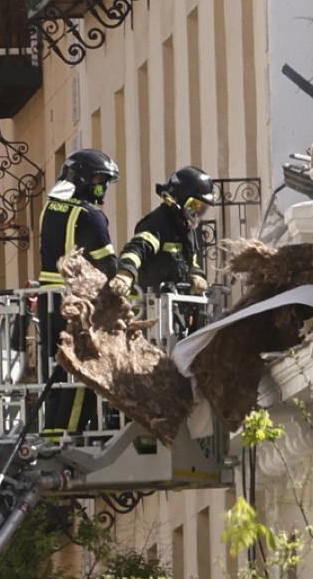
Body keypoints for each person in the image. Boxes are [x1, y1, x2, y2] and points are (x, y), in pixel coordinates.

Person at [37, 148, 120, 440]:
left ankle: (51, 432)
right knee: (82, 374)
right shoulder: (91, 216)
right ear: (84, 179)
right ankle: (65, 436)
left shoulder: (50, 208)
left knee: (58, 371)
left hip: (49, 304)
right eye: (100, 180)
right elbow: (109, 266)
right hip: (76, 308)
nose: (103, 188)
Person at [108, 166, 215, 297]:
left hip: (178, 304)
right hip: (151, 306)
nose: (198, 212)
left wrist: (196, 275)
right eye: (195, 205)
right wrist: (125, 274)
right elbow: (136, 249)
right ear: (179, 198)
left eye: (202, 208)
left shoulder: (187, 229)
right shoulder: (156, 223)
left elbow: (191, 261)